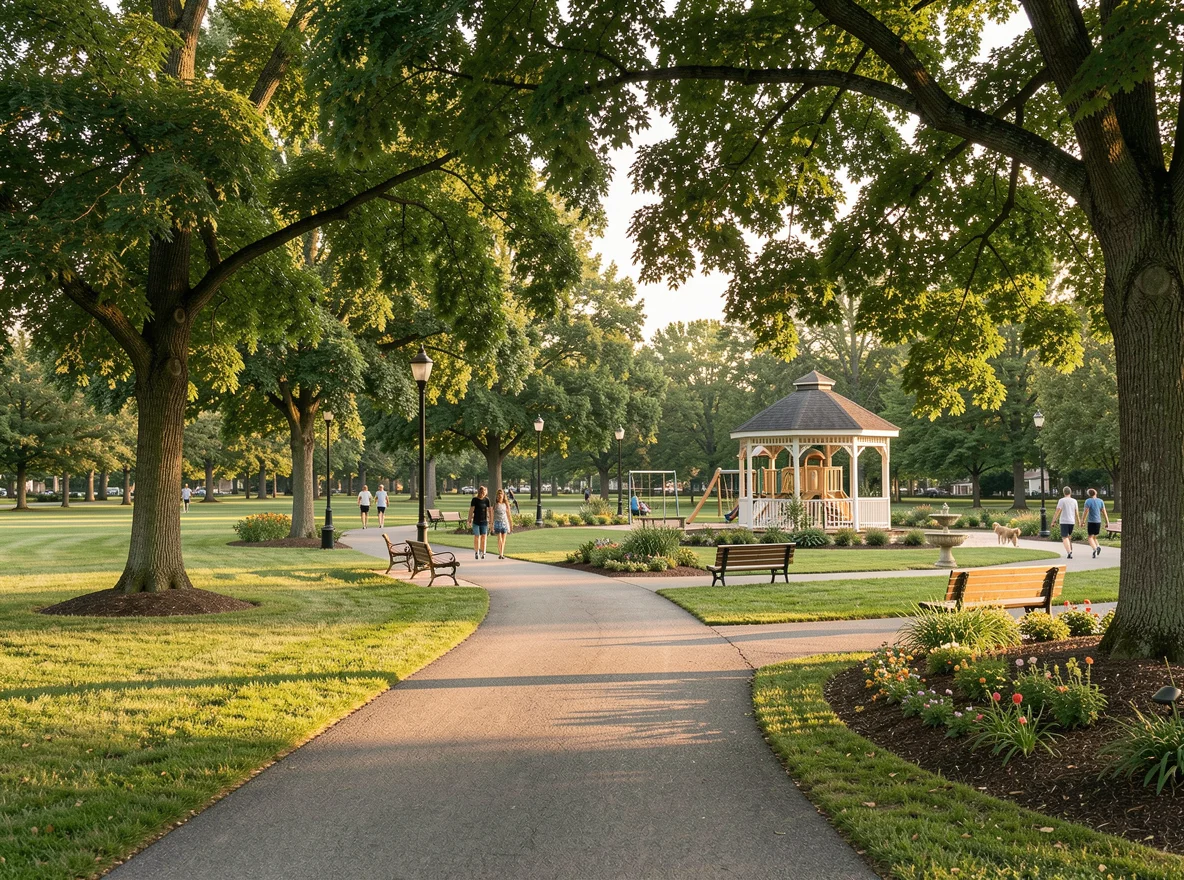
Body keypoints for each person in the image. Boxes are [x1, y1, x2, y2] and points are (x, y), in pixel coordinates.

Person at [1053, 486, 1079, 558]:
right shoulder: (1074, 501)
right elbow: (1076, 512)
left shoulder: (1061, 500)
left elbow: (1058, 511)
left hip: (1064, 521)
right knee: (1068, 536)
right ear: (1070, 492)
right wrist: (1078, 521)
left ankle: (1069, 552)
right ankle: (1070, 549)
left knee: (1064, 537)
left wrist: (1053, 520)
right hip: (1072, 521)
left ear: (1064, 492)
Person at [1083, 488, 1109, 559]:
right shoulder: (1100, 501)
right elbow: (1104, 512)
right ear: (1096, 493)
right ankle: (1098, 546)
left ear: (1089, 494)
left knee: (1090, 537)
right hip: (1098, 522)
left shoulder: (1088, 501)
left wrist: (1083, 521)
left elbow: (1086, 512)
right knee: (1094, 536)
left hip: (1091, 521)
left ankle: (1094, 549)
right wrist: (1107, 521)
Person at [468, 486, 492, 560]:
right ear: (479, 492)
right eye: (482, 492)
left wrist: (491, 520)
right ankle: (476, 551)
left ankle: (483, 552)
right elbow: (471, 510)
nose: (483, 493)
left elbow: (489, 510)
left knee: (484, 537)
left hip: (484, 521)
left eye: (484, 492)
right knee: (477, 536)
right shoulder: (474, 500)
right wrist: (469, 519)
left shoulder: (487, 500)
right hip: (476, 521)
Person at [492, 488, 513, 559]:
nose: (500, 497)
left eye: (501, 495)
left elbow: (509, 514)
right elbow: (492, 514)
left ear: (503, 496)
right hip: (497, 522)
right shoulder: (495, 504)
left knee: (504, 539)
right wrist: (491, 524)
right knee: (499, 538)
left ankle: (502, 553)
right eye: (499, 495)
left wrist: (510, 523)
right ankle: (500, 553)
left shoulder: (506, 504)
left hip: (505, 522)